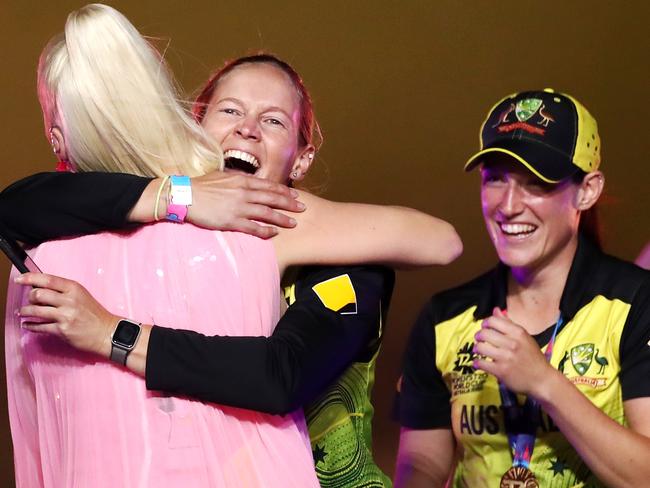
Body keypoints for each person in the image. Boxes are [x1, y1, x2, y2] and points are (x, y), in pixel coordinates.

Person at [4, 5, 461, 487]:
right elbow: (19, 206)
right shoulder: (164, 222)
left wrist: (110, 333)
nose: (247, 128)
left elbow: (279, 375)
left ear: (301, 159)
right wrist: (178, 195)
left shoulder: (336, 254)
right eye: (230, 111)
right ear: (196, 124)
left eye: (274, 121)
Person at [394, 89, 650, 487]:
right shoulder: (444, 317)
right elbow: (423, 462)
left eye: (536, 182)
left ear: (588, 190)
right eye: (495, 179)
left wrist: (545, 383)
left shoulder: (637, 303)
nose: (509, 205)